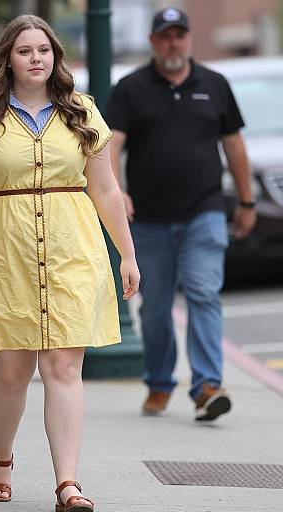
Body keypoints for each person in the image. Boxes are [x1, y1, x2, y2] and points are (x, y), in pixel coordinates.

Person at [0, 14, 139, 511]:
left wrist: (127, 253)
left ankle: (67, 483)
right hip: (4, 249)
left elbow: (107, 188)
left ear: (56, 57)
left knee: (63, 365)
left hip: (73, 247)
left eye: (44, 50)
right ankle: (1, 459)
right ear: (8, 57)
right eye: (26, 50)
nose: (36, 58)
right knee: (9, 371)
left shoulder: (82, 113)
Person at [106, 7, 256, 422]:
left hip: (204, 211)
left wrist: (246, 202)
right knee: (155, 305)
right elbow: (112, 144)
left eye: (180, 35)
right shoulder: (131, 88)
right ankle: (158, 380)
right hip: (150, 219)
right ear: (153, 42)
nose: (174, 43)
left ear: (189, 39)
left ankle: (208, 385)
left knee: (204, 292)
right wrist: (118, 191)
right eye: (165, 36)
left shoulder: (216, 84)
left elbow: (235, 147)